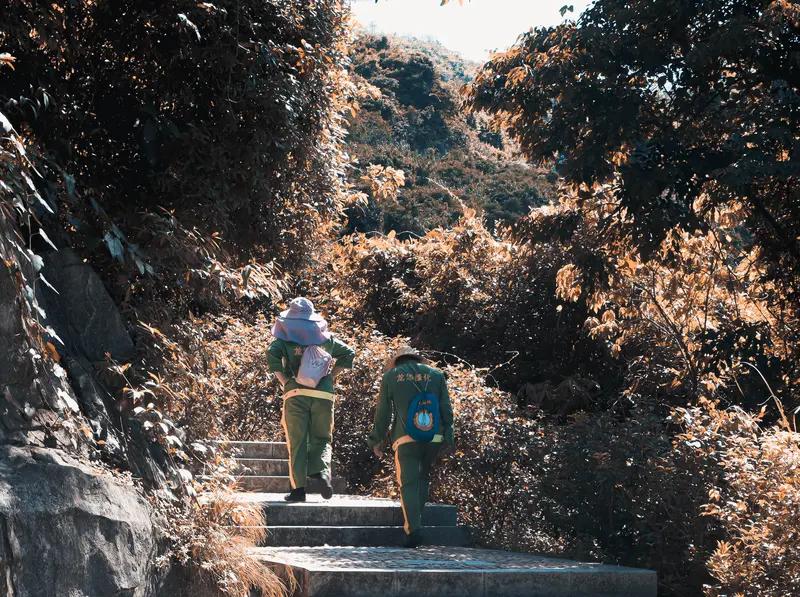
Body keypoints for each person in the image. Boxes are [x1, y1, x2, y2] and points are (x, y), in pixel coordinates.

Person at [267, 297, 355, 502]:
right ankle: (323, 475)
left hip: (296, 394)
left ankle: (298, 491)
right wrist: (331, 377)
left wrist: (285, 381)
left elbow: (271, 355)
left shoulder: (285, 338)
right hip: (323, 394)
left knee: (297, 441)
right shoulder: (326, 338)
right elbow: (349, 353)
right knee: (323, 438)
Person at [367, 346, 454, 547]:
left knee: (408, 482)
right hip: (434, 436)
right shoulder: (437, 375)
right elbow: (445, 408)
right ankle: (417, 521)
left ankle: (413, 529)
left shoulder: (391, 377)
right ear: (418, 358)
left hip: (405, 438)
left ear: (397, 360)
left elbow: (383, 413)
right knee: (423, 478)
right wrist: (449, 435)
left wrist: (376, 439)